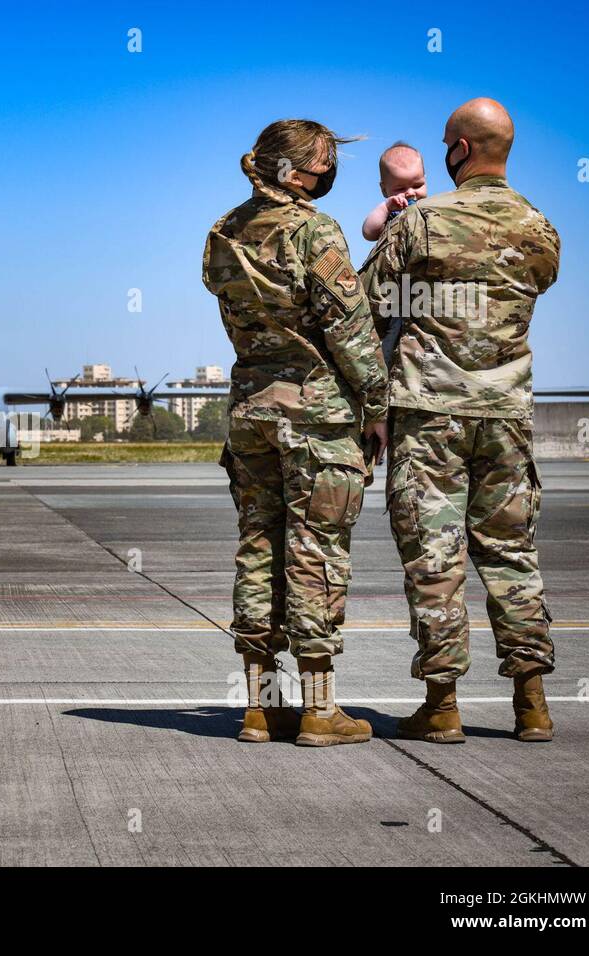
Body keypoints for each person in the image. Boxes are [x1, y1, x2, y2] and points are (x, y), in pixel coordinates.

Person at [360, 98, 561, 743]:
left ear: (460, 152)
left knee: (433, 556)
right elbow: (538, 281)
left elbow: (365, 299)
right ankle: (531, 704)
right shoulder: (540, 227)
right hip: (505, 412)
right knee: (511, 553)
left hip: (430, 414)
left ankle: (442, 706)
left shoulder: (422, 224)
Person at [203, 119, 389, 747]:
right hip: (315, 415)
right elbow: (350, 328)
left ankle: (257, 708)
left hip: (251, 410)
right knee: (316, 554)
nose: (328, 172)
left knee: (259, 547)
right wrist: (378, 403)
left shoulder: (225, 230)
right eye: (321, 162)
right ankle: (318, 709)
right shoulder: (315, 231)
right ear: (290, 170)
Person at [362, 142, 428, 242]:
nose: (410, 193)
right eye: (401, 188)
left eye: (417, 185)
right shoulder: (392, 214)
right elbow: (369, 233)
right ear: (384, 190)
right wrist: (385, 208)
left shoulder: (431, 208)